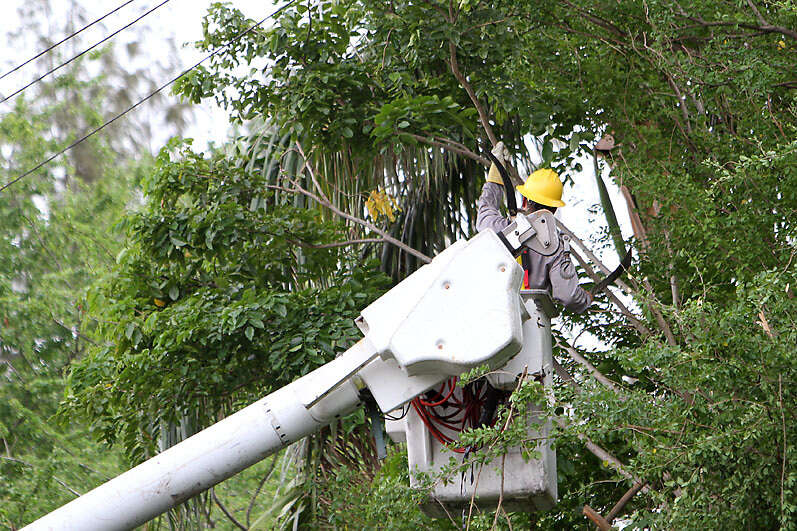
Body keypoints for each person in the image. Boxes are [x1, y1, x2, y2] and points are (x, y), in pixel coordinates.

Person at [476, 142, 592, 314]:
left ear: (525, 201)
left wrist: (495, 175)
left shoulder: (503, 229)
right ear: (554, 209)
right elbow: (568, 296)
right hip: (534, 327)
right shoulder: (557, 248)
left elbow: (485, 210)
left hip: (495, 315)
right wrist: (585, 299)